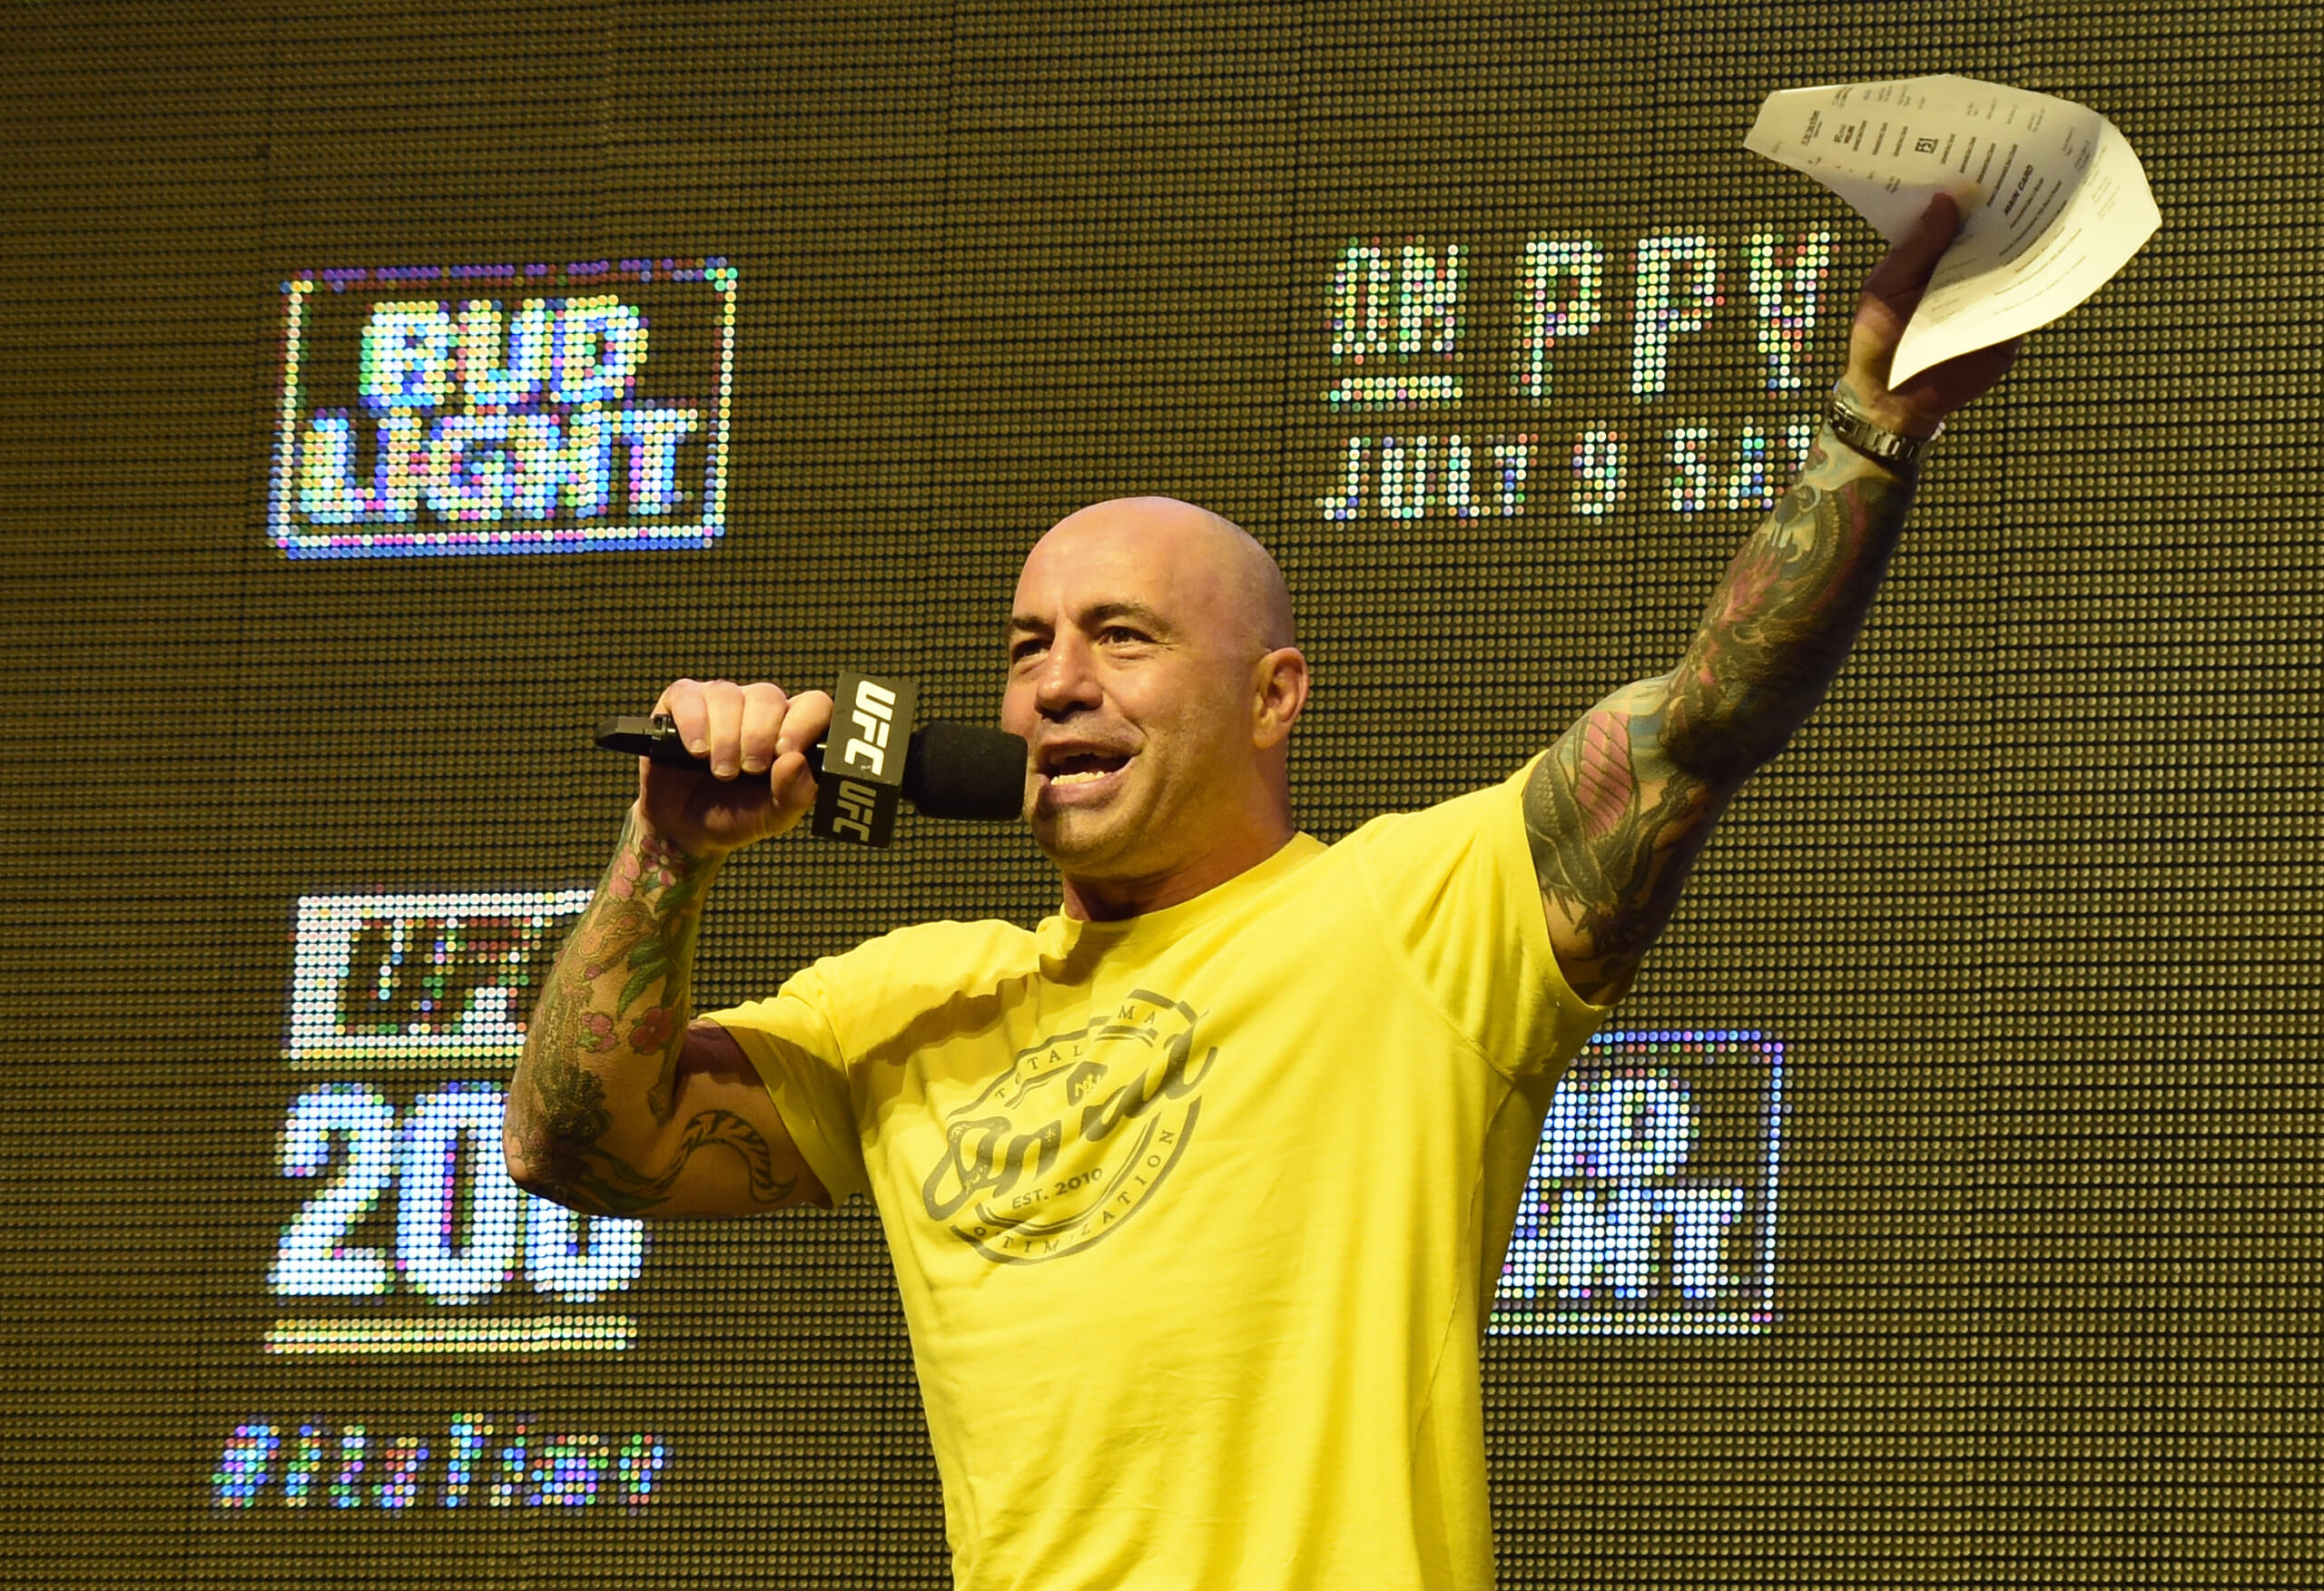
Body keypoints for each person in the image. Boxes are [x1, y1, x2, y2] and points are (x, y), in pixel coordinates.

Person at [505, 194, 2020, 1590]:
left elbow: (1702, 719)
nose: (1058, 685)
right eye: (1027, 646)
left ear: (1274, 696)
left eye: (1123, 637)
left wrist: (1869, 432)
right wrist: (670, 850)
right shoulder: (910, 1002)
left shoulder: (1418, 915)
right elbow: (576, 1143)